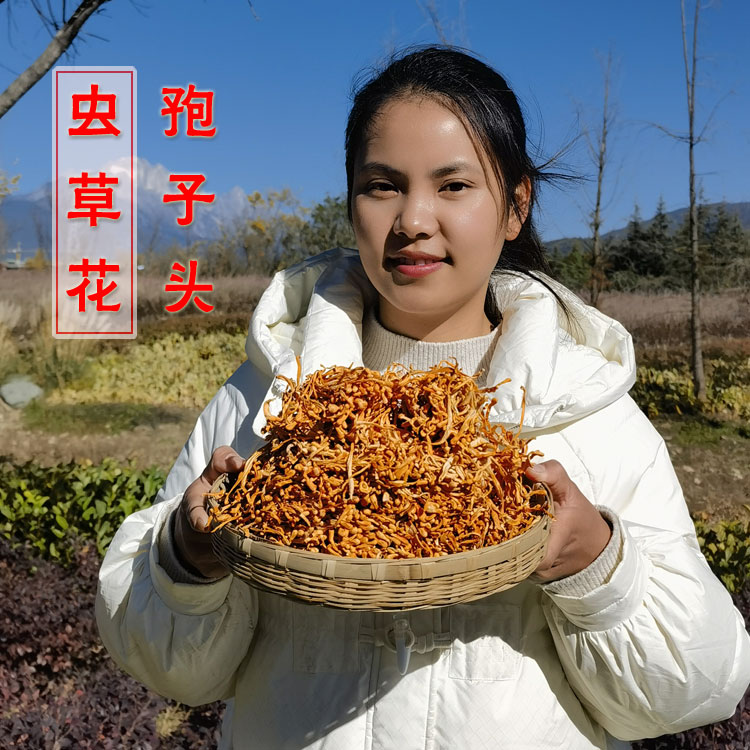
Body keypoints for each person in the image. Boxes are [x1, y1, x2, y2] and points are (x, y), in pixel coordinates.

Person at [96, 46, 750, 749]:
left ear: (515, 206)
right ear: (351, 201)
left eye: (454, 186)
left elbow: (696, 687)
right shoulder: (266, 397)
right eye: (382, 185)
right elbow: (170, 667)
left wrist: (599, 568)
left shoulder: (585, 410)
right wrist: (188, 561)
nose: (413, 218)